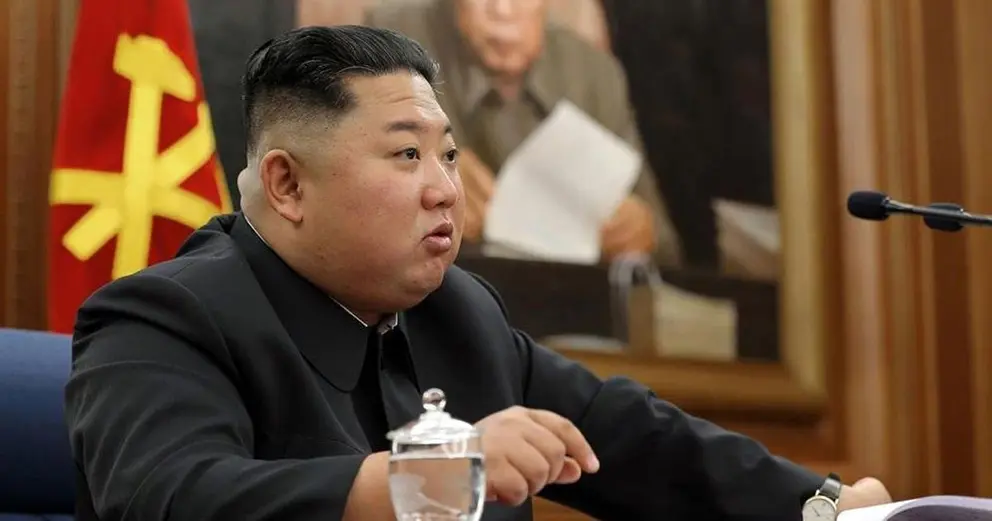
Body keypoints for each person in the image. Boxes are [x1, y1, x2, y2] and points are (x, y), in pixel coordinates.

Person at [64, 26, 890, 521]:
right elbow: (174, 497)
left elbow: (625, 435)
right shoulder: (161, 317)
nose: (445, 190)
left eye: (451, 156)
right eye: (407, 155)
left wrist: (821, 505)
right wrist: (428, 480)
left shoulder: (458, 313)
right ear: (286, 184)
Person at [362, 0, 682, 267]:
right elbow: (350, 206)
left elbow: (665, 247)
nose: (503, 9)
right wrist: (416, 178)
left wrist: (639, 233)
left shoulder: (592, 74)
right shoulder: (392, 43)